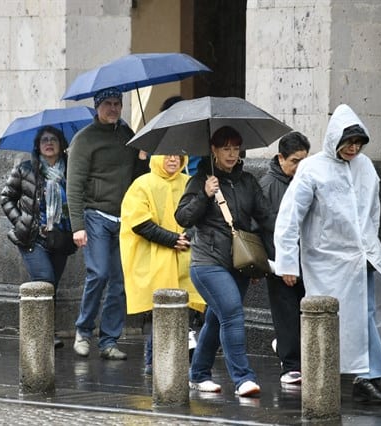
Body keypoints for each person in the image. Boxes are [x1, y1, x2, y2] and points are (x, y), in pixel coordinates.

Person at [274, 104, 381, 403]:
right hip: (327, 259)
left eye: (358, 143)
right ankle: (367, 375)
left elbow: (373, 212)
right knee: (344, 318)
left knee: (365, 313)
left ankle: (366, 375)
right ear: (334, 141)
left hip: (363, 256)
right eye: (348, 143)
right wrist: (287, 261)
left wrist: (372, 247)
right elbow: (290, 216)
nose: (353, 148)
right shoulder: (313, 168)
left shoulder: (365, 167)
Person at [175, 126, 274, 397]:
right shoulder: (199, 180)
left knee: (217, 319)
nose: (232, 154)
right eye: (225, 148)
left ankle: (197, 374)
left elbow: (265, 219)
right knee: (231, 313)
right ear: (214, 150)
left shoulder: (248, 181)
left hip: (239, 262)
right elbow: (182, 218)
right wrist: (204, 195)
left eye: (235, 148)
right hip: (207, 262)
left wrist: (263, 260)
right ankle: (243, 378)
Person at [67, 87, 148, 360]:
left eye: (118, 103)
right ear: (97, 106)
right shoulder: (84, 139)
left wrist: (142, 158)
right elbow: (74, 185)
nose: (114, 109)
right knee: (99, 273)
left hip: (123, 218)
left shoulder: (128, 136)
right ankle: (84, 331)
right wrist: (77, 225)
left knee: (120, 282)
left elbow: (138, 180)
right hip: (95, 216)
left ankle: (109, 341)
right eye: (108, 104)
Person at [120, 154, 205, 374]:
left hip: (185, 257)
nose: (173, 160)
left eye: (178, 156)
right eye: (167, 155)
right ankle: (152, 361)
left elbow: (201, 215)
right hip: (152, 259)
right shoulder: (142, 185)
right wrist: (171, 239)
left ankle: (183, 363)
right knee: (157, 309)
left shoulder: (189, 183)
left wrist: (187, 236)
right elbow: (139, 223)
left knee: (186, 307)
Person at [1, 126, 75, 349]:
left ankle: (42, 330)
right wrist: (21, 221)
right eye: (44, 140)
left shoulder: (72, 171)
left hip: (62, 237)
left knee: (53, 286)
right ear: (37, 145)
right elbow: (6, 198)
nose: (49, 143)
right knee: (44, 280)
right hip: (33, 237)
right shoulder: (25, 169)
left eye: (54, 139)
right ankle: (43, 334)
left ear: (62, 145)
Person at [258, 131, 310, 385]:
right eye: (295, 161)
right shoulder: (268, 186)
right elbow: (262, 228)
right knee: (286, 314)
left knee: (304, 313)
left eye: (304, 160)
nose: (300, 166)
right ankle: (290, 364)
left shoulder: (305, 181)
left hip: (307, 260)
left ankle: (295, 355)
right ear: (281, 158)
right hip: (279, 263)